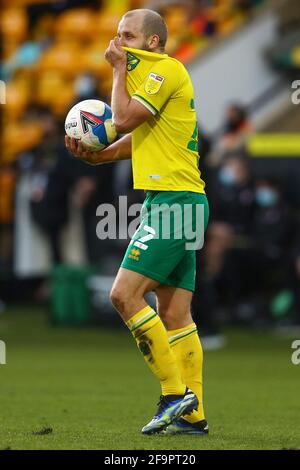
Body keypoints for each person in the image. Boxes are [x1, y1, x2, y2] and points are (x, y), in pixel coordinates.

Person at [65, 8, 209, 436]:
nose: (117, 44)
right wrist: (98, 154)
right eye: (116, 35)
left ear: (152, 42)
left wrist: (117, 72)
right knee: (176, 314)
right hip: (178, 201)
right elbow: (138, 135)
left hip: (174, 202)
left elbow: (123, 118)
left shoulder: (164, 71)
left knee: (123, 295)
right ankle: (193, 415)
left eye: (127, 36)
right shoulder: (154, 79)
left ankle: (173, 393)